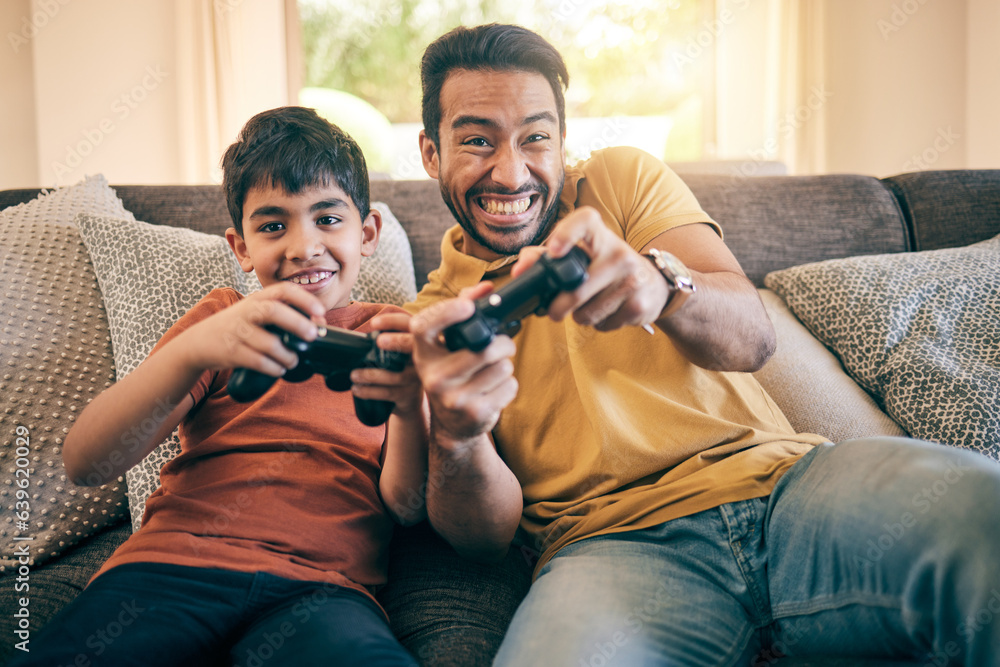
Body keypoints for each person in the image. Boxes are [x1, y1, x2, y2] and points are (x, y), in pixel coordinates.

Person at [404, 24, 1000, 665]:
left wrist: (662, 287)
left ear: (562, 141)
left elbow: (752, 338)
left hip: (789, 490)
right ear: (431, 154)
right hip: (612, 551)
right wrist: (458, 434)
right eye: (476, 142)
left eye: (535, 138)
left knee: (983, 512)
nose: (512, 172)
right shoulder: (431, 321)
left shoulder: (622, 181)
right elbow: (483, 540)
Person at [14, 107, 426, 667]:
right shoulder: (225, 319)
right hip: (170, 570)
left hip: (324, 592)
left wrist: (408, 407)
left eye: (328, 218)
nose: (304, 246)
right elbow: (86, 461)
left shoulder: (392, 337)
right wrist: (196, 349)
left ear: (368, 232)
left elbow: (407, 505)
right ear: (240, 248)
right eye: (274, 226)